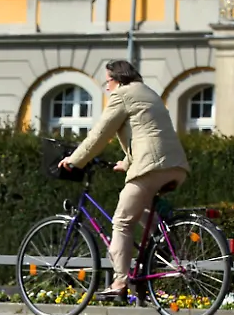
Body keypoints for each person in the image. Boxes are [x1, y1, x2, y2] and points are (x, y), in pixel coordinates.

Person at [58, 59, 190, 301]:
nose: (107, 87)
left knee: (121, 222)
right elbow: (148, 133)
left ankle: (119, 282)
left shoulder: (122, 95)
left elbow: (100, 134)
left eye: (107, 82)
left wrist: (75, 160)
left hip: (151, 167)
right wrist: (127, 162)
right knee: (141, 208)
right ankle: (162, 245)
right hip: (176, 166)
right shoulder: (148, 93)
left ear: (117, 79)